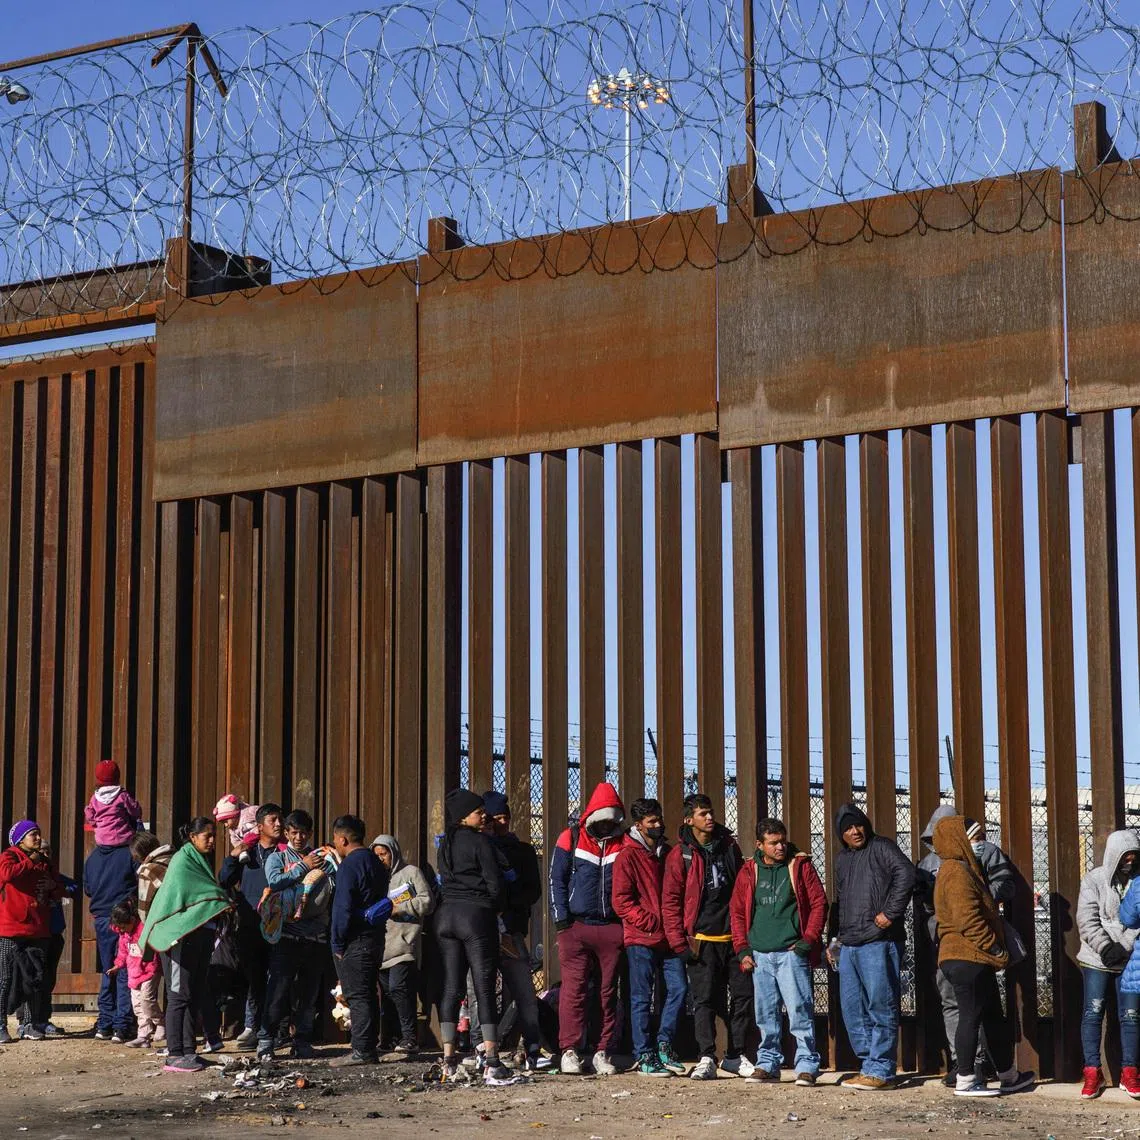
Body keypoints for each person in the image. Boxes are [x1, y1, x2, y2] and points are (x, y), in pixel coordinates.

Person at [931, 814, 1034, 1096]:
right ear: (959, 840)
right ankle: (965, 1079)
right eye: (973, 838)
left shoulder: (959, 870)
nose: (979, 844)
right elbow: (969, 919)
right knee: (971, 1016)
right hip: (968, 956)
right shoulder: (956, 872)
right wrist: (995, 948)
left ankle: (1008, 1075)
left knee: (991, 1017)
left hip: (970, 957)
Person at [916, 805, 1017, 1083]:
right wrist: (995, 948)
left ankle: (980, 1066)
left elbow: (1004, 886)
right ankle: (966, 1068)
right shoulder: (947, 868)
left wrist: (983, 895)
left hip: (965, 945)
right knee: (962, 1008)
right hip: (957, 945)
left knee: (980, 1010)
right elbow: (964, 916)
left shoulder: (969, 862)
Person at [662, 792, 754, 1080]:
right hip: (702, 940)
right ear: (689, 820)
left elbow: (742, 888)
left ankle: (735, 1055)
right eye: (703, 814)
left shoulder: (729, 846)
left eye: (711, 812)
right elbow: (671, 901)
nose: (710, 817)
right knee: (704, 1000)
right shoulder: (681, 855)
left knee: (742, 997)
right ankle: (706, 1056)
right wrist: (679, 943)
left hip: (733, 939)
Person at [731, 817, 827, 1085]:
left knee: (799, 1010)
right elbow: (738, 912)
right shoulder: (749, 871)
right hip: (760, 955)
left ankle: (807, 1064)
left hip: (790, 952)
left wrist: (807, 941)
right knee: (765, 1013)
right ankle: (768, 1063)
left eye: (782, 841)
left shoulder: (800, 866)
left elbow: (819, 903)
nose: (780, 847)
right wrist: (743, 949)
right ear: (760, 845)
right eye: (773, 843)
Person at [828, 803, 915, 1091]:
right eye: (848, 828)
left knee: (881, 1004)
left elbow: (906, 874)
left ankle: (882, 1069)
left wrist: (890, 913)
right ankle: (869, 1066)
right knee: (853, 1008)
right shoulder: (843, 860)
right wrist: (835, 939)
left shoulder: (881, 847)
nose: (855, 831)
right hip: (850, 943)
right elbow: (839, 901)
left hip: (879, 941)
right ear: (840, 834)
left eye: (858, 825)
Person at [140, 816, 231, 1073]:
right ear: (192, 837)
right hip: (178, 937)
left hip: (197, 935)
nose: (212, 841)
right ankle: (174, 1053)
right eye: (207, 836)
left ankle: (189, 1051)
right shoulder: (183, 861)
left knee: (194, 993)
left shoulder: (198, 860)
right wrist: (220, 898)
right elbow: (190, 896)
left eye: (214, 835)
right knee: (178, 995)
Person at [436, 788, 515, 1083]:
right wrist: (495, 908)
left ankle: (448, 1059)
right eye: (478, 811)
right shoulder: (481, 842)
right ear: (463, 816)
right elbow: (496, 885)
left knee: (452, 987)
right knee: (483, 986)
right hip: (475, 915)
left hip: (445, 917)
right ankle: (492, 1059)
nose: (484, 815)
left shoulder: (444, 845)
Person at [549, 780, 627, 1076]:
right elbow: (556, 879)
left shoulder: (623, 842)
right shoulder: (570, 837)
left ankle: (601, 1050)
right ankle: (569, 1050)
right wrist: (562, 920)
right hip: (576, 927)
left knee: (608, 992)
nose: (608, 825)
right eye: (603, 818)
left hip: (611, 928)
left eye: (613, 819)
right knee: (574, 990)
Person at [612, 796, 687, 1077]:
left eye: (659, 819)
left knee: (678, 988)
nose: (658, 825)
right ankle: (644, 1053)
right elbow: (622, 901)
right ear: (638, 825)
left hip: (668, 936)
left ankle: (664, 1044)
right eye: (651, 821)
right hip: (641, 937)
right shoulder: (628, 855)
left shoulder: (667, 852)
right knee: (641, 997)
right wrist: (651, 921)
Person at [482, 790, 550, 1070]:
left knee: (523, 990)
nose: (501, 824)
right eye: (494, 818)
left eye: (504, 818)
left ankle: (531, 1047)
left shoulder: (522, 851)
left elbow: (532, 891)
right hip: (483, 930)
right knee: (480, 992)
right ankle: (483, 1048)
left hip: (511, 929)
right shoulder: (478, 848)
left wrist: (507, 903)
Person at [257, 809, 331, 1061]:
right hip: (287, 936)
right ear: (287, 833)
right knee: (278, 991)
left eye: (303, 833)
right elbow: (274, 882)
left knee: (308, 995)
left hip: (315, 936)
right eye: (294, 832)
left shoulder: (321, 857)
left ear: (310, 834)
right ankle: (266, 1040)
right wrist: (304, 866)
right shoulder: (277, 858)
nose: (299, 837)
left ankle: (302, 1041)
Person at [1076, 828, 1140, 1099]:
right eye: (1125, 855)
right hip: (1096, 959)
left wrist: (1123, 947)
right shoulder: (1094, 880)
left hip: (1129, 960)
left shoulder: (1138, 881)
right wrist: (1105, 946)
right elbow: (1087, 918)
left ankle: (1130, 1072)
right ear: (1114, 855)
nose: (1130, 860)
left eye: (1134, 855)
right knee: (1093, 1013)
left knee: (1131, 1017)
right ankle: (1092, 1071)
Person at [218, 802, 283, 1049]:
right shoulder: (249, 854)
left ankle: (274, 1030)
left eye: (280, 820)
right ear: (259, 826)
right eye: (272, 820)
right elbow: (224, 880)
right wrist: (232, 858)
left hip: (278, 926)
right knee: (254, 979)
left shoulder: (285, 853)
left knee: (278, 979)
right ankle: (251, 1027)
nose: (278, 824)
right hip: (250, 926)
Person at [329, 814, 389, 1067]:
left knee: (358, 995)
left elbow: (342, 907)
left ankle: (362, 1050)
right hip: (375, 936)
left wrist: (337, 943)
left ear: (342, 839)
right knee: (368, 992)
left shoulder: (350, 865)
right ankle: (367, 1047)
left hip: (356, 939)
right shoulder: (375, 862)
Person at [372, 832, 435, 1053]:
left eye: (384, 854)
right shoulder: (375, 878)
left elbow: (427, 901)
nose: (381, 859)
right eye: (377, 855)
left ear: (393, 853)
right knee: (387, 994)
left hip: (405, 944)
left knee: (400, 988)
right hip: (383, 947)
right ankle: (390, 1037)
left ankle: (410, 1037)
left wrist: (400, 908)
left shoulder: (411, 873)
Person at [0, 822, 62, 1044]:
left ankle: (28, 1024)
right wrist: (29, 862)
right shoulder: (10, 856)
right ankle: (0, 1025)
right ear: (20, 839)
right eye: (32, 835)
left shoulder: (44, 861)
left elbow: (59, 887)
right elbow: (6, 874)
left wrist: (51, 886)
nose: (37, 838)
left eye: (38, 834)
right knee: (5, 978)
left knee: (35, 978)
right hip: (10, 928)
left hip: (38, 929)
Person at [84, 812, 139, 1043]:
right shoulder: (129, 853)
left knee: (108, 970)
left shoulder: (93, 857)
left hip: (101, 919)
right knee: (125, 970)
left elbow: (87, 889)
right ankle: (122, 1025)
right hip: (124, 918)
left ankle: (105, 1024)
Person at [17, 843, 77, 1040]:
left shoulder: (53, 876)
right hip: (33, 933)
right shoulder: (28, 874)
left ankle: (43, 1018)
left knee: (48, 978)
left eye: (48, 852)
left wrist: (55, 887)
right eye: (41, 852)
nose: (45, 855)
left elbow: (75, 887)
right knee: (29, 978)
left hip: (53, 933)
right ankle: (25, 1020)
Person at [108, 897, 164, 1048]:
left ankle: (160, 1022)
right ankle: (143, 1036)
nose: (121, 930)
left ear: (132, 919)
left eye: (123, 926)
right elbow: (122, 953)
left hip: (149, 969)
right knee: (138, 1006)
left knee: (147, 1000)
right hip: (133, 973)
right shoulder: (123, 935)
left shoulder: (144, 929)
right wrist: (117, 965)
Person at [83, 759, 142, 848]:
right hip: (123, 838)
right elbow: (135, 812)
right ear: (117, 777)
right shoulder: (122, 795)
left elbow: (89, 814)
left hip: (102, 840)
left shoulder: (95, 798)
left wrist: (95, 824)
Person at [131, 831, 174, 922]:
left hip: (166, 920)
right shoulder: (175, 857)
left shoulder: (147, 871)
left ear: (138, 855)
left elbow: (144, 910)